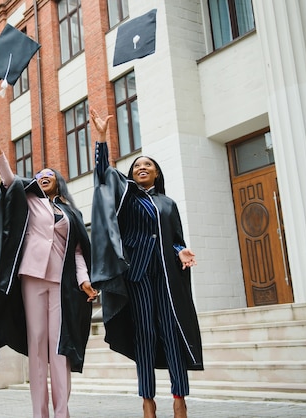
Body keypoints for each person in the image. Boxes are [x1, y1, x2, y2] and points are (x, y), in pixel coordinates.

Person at [0, 116, 98, 418]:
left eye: (49, 174)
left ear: (58, 180)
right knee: (37, 345)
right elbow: (8, 178)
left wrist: (84, 280)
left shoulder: (70, 212)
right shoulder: (30, 198)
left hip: (62, 282)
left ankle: (62, 412)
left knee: (59, 348)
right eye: (39, 174)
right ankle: (39, 413)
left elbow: (79, 252)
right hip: (31, 277)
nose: (43, 176)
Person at [89, 108, 203, 418]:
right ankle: (147, 400)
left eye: (148, 165)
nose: (142, 167)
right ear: (132, 174)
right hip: (137, 276)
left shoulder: (168, 203)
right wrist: (101, 138)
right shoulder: (125, 196)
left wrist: (181, 249)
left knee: (171, 334)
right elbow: (102, 175)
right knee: (145, 337)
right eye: (137, 165)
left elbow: (176, 237)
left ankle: (179, 398)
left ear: (156, 174)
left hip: (167, 277)